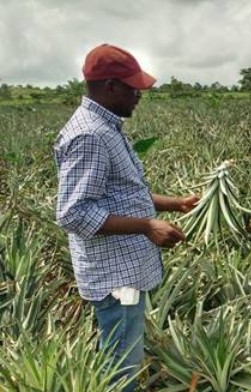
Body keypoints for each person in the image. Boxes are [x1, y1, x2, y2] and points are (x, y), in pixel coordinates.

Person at [54, 43, 198, 391]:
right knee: (121, 368)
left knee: (124, 353)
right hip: (116, 278)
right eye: (133, 87)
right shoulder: (90, 135)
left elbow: (123, 194)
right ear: (110, 87)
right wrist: (147, 226)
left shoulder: (106, 127)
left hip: (125, 271)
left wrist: (174, 203)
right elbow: (74, 213)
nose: (139, 95)